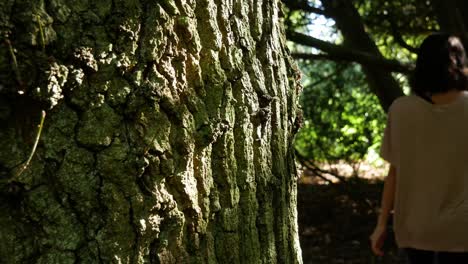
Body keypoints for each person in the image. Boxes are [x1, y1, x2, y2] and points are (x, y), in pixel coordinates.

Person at [370, 33, 468, 263]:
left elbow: (394, 174)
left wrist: (381, 225)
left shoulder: (401, 110)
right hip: (462, 229)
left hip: (415, 227)